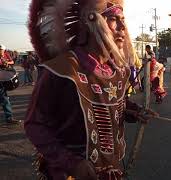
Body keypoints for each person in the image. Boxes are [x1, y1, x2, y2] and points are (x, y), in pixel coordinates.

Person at [25, 0, 157, 179]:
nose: (122, 27)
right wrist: (71, 163)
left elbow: (115, 103)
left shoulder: (117, 70)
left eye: (123, 19)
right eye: (113, 19)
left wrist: (135, 111)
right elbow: (35, 124)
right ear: (91, 20)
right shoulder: (61, 70)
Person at [0, 44, 19, 124]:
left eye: (1, 50)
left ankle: (9, 118)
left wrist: (6, 63)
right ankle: (9, 118)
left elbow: (11, 62)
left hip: (2, 80)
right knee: (4, 99)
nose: (1, 52)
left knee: (5, 99)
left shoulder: (5, 55)